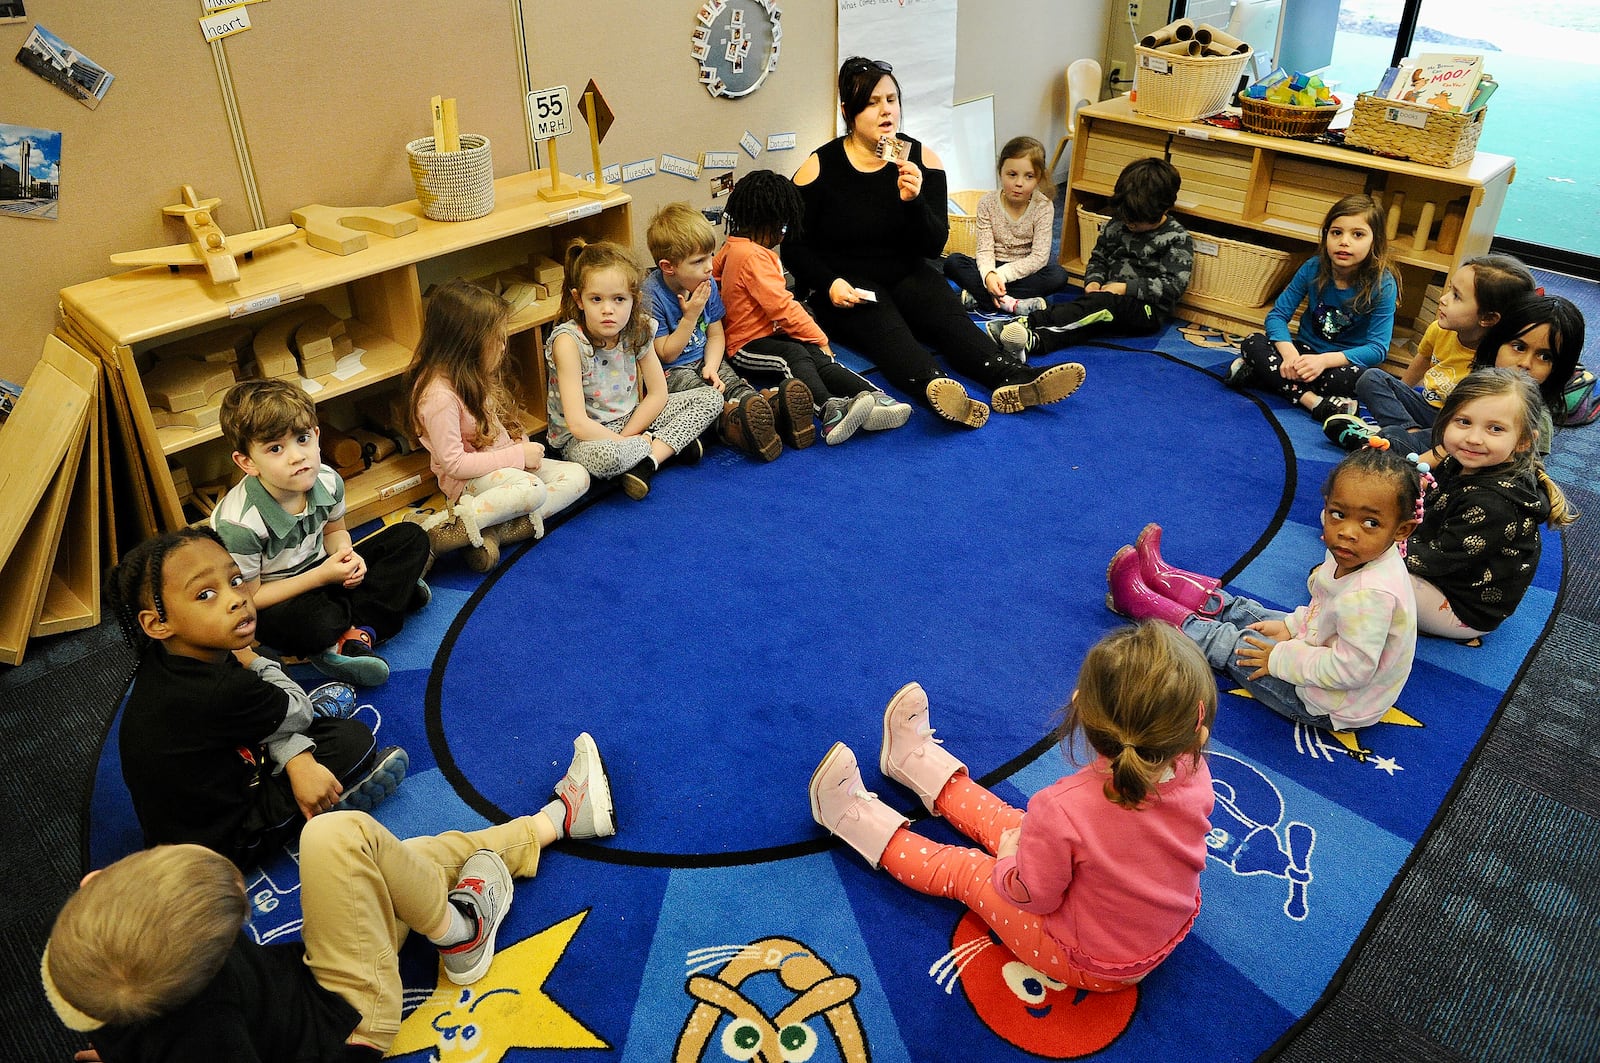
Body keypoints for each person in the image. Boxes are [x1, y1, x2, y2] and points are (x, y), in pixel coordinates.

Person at [41, 734, 616, 1061]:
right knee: (349, 839)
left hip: (304, 977)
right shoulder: (207, 1038)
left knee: (394, 860)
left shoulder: (86, 964)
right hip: (349, 1014)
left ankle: (554, 824)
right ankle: (463, 930)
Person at [807, 623, 1215, 991]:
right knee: (1019, 825)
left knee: (965, 869)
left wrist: (1006, 863)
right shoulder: (1193, 769)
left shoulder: (1064, 808)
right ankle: (924, 773)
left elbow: (1033, 897)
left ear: (1081, 707)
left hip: (1090, 961)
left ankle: (854, 822)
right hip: (1159, 933)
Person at [786, 56, 1085, 428]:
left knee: (951, 322)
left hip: (907, 270)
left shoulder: (923, 159)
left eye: (891, 100)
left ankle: (1014, 378)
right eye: (872, 102)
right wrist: (829, 283)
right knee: (890, 333)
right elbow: (794, 248)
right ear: (849, 111)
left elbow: (933, 245)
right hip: (849, 283)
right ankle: (937, 389)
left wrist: (913, 202)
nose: (885, 111)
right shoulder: (819, 166)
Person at [105, 527, 407, 869]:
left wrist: (295, 756)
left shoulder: (168, 658)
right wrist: (254, 660)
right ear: (157, 623)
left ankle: (278, 725)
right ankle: (329, 812)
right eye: (205, 594)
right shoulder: (223, 686)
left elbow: (232, 719)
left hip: (204, 788)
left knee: (283, 723)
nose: (236, 598)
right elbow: (301, 711)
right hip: (224, 843)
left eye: (235, 580)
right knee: (354, 740)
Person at [1109, 446, 1423, 732]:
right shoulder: (1361, 553)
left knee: (1240, 645)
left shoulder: (1370, 596)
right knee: (1250, 612)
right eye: (1338, 515)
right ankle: (1162, 581)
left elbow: (1350, 671)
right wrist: (1291, 626)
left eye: (1370, 523)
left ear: (1402, 530)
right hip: (1323, 653)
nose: (1347, 532)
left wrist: (1278, 658)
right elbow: (1325, 608)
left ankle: (1144, 608)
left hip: (1326, 701)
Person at [211, 379, 432, 687]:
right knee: (316, 624)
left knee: (411, 537)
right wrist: (323, 577)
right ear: (247, 462)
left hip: (323, 574)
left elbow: (335, 533)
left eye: (302, 439)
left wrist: (347, 556)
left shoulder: (327, 480)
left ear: (317, 436)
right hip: (276, 598)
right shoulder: (240, 524)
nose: (296, 456)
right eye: (275, 448)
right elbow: (250, 598)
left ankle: (355, 633)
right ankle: (370, 614)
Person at [714, 168, 912, 445]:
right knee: (797, 355)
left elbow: (717, 280)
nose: (783, 236)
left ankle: (872, 398)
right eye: (782, 228)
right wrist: (819, 338)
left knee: (814, 357)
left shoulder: (732, 246)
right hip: (747, 344)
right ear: (765, 221)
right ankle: (831, 410)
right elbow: (782, 306)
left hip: (772, 333)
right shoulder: (752, 255)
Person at [407, 280, 591, 572]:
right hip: (469, 483)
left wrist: (520, 447)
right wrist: (518, 457)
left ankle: (492, 531)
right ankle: (439, 532)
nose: (505, 346)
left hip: (505, 472)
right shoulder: (438, 397)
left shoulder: (471, 373)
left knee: (578, 476)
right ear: (466, 344)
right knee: (532, 489)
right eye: (498, 339)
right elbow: (455, 464)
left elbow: (496, 427)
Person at [1403, 368, 1577, 643]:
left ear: (1522, 441)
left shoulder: (1493, 503)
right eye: (1463, 421)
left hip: (1464, 610)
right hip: (1444, 579)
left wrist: (1379, 546)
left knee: (1365, 580)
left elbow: (1438, 559)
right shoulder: (1461, 462)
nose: (1473, 438)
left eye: (1495, 429)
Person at [545, 239, 722, 500]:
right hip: (584, 438)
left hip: (631, 421)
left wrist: (631, 436)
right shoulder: (568, 342)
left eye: (619, 299)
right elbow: (578, 423)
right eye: (596, 299)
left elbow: (658, 394)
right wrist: (626, 442)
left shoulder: (637, 328)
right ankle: (665, 447)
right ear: (578, 300)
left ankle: (648, 462)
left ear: (634, 299)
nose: (608, 310)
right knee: (608, 458)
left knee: (711, 398)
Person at [645, 201, 808, 460]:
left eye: (710, 255)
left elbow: (716, 334)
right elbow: (666, 354)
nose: (710, 266)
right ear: (668, 267)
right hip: (671, 370)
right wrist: (690, 316)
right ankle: (736, 424)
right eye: (698, 261)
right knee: (706, 398)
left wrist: (711, 364)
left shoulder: (705, 281)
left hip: (705, 357)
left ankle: (772, 409)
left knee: (732, 384)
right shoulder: (651, 295)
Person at [1327, 255, 1534, 452]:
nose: (1443, 299)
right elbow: (1423, 358)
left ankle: (1393, 439)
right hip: (1425, 406)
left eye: (1456, 296)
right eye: (1450, 289)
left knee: (1440, 439)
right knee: (1370, 377)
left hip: (1455, 425)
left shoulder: (1496, 359)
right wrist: (1398, 394)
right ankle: (1407, 435)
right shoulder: (1439, 329)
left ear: (1488, 318)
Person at [993, 156, 1193, 360]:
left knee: (1098, 309)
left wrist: (1125, 288)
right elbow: (1099, 257)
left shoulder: (1177, 238)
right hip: (1106, 297)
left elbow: (1173, 286)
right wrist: (1094, 280)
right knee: (1089, 319)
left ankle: (1029, 322)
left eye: (1137, 222)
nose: (1130, 225)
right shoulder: (1118, 224)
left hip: (1147, 311)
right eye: (1127, 219)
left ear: (1164, 209)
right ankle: (1031, 341)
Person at [1226, 194, 1399, 422]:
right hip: (1301, 351)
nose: (1344, 241)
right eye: (1336, 232)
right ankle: (1313, 402)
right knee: (1252, 342)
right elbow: (1277, 316)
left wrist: (1324, 361)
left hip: (1339, 362)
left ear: (1375, 241)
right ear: (1326, 235)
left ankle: (1261, 376)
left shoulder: (1383, 284)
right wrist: (1289, 355)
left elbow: (1377, 348)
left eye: (1357, 234)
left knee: (1362, 380)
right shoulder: (1313, 267)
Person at [942, 135, 1067, 315]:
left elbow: (1039, 257)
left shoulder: (1043, 206)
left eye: (1029, 176)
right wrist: (989, 275)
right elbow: (984, 250)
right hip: (991, 266)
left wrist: (1001, 276)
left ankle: (981, 297)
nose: (1018, 183)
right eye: (1012, 175)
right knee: (953, 262)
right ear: (1001, 172)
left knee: (1058, 275)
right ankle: (1012, 303)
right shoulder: (987, 203)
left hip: (1024, 272)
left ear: (1038, 178)